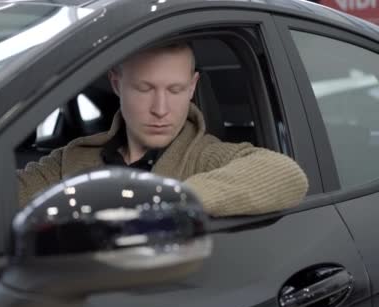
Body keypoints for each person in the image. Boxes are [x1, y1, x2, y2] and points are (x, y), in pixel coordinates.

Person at [17, 41, 308, 217]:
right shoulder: (70, 159)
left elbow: (286, 174)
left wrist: (159, 201)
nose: (160, 108)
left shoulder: (204, 157)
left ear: (192, 87)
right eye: (144, 88)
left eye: (176, 89)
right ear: (117, 84)